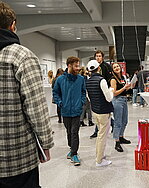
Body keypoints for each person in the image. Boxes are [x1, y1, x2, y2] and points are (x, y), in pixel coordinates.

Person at [0, 2, 54, 187]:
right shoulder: (21, 56)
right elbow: (36, 108)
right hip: (16, 157)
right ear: (13, 25)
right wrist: (45, 142)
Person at [53, 56, 86, 166]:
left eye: (78, 65)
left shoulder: (81, 79)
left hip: (77, 110)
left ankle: (74, 154)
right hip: (65, 110)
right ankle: (71, 149)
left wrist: (81, 101)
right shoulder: (60, 80)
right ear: (69, 66)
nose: (78, 68)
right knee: (68, 132)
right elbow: (56, 93)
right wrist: (60, 103)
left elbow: (83, 91)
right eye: (76, 66)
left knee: (74, 132)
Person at [86, 60, 113, 166]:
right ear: (99, 68)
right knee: (102, 136)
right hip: (104, 112)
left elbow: (89, 97)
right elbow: (109, 98)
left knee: (99, 135)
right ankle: (99, 160)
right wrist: (111, 90)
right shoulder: (101, 80)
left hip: (95, 111)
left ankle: (99, 155)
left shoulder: (88, 81)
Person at [90, 50, 113, 138]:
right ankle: (97, 131)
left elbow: (110, 78)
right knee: (99, 112)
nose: (98, 58)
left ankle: (100, 130)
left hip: (105, 90)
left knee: (103, 112)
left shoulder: (106, 66)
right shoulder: (93, 67)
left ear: (102, 57)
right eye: (96, 56)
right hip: (96, 92)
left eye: (99, 56)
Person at [110, 63, 131, 152]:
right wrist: (124, 88)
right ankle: (117, 142)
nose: (117, 68)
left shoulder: (122, 78)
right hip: (117, 101)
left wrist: (128, 88)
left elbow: (123, 90)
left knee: (125, 121)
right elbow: (114, 93)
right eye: (114, 67)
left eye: (117, 66)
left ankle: (121, 136)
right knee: (118, 122)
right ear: (113, 70)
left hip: (124, 100)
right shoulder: (113, 80)